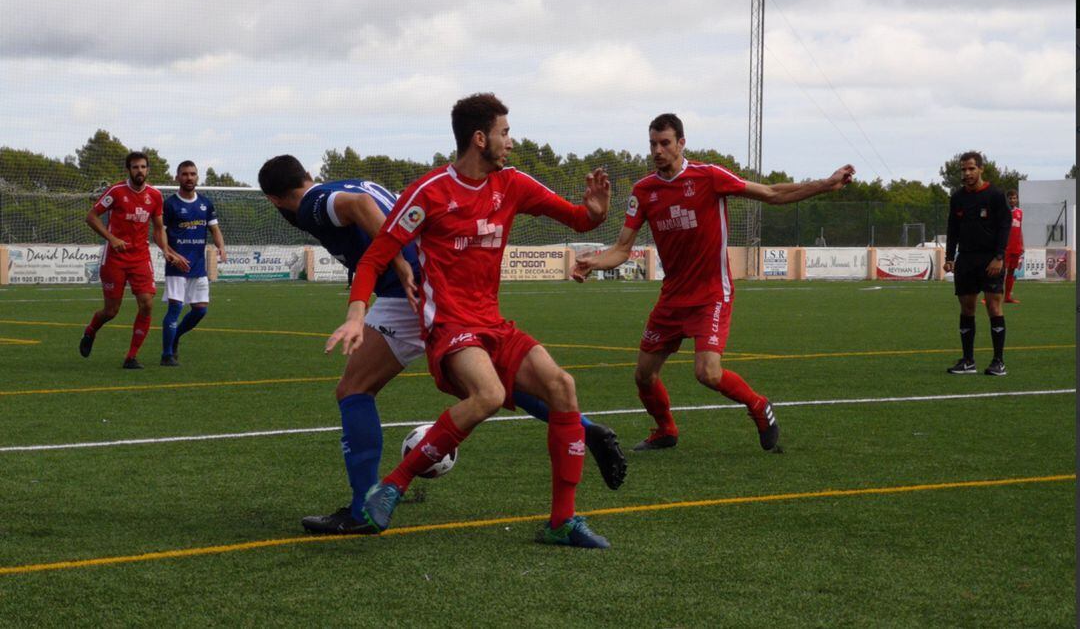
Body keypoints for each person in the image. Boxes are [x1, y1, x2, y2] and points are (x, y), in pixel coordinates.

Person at [259, 152, 625, 537]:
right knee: (499, 385)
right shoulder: (351, 182)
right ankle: (582, 428)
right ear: (308, 173)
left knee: (355, 389)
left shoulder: (312, 204)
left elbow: (360, 207)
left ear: (275, 200)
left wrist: (397, 263)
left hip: (415, 294)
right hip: (435, 290)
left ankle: (362, 507)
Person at [326, 93, 615, 548]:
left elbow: (578, 220)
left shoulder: (513, 184)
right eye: (504, 133)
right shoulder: (429, 193)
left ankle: (562, 522)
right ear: (479, 139)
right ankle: (395, 484)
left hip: (493, 324)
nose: (510, 142)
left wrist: (596, 213)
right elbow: (374, 256)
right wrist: (357, 313)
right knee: (490, 394)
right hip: (449, 324)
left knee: (562, 386)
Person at [572, 113, 854, 453]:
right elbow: (621, 248)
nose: (658, 151)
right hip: (672, 298)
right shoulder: (644, 191)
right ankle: (665, 430)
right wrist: (593, 262)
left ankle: (759, 407)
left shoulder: (709, 177)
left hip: (711, 294)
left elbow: (770, 193)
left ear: (681, 143)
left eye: (664, 143)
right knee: (643, 375)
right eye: (652, 144)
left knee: (707, 372)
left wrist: (825, 183)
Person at [79, 151, 190, 369]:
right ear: (128, 169)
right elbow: (91, 217)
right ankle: (91, 330)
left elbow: (158, 229)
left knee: (147, 304)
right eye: (135, 167)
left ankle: (131, 357)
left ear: (148, 169)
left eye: (143, 167)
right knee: (111, 311)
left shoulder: (155, 196)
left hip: (140, 257)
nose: (139, 171)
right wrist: (112, 238)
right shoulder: (117, 191)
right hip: (115, 259)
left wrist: (167, 251)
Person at [943, 152, 1012, 377]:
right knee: (967, 308)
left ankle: (998, 361)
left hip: (990, 259)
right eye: (963, 170)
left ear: (981, 169)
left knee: (993, 307)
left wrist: (999, 257)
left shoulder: (995, 195)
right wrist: (949, 257)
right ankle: (968, 361)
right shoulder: (958, 198)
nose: (967, 173)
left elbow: (1004, 227)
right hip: (966, 260)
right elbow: (953, 229)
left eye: (971, 169)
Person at [160, 161, 227, 366]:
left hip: (198, 267)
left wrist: (221, 247)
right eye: (185, 174)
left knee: (200, 310)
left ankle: (176, 336)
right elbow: (159, 232)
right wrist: (169, 253)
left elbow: (214, 229)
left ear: (197, 177)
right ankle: (167, 355)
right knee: (175, 309)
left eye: (193, 174)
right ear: (177, 177)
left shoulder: (206, 204)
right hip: (176, 267)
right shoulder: (170, 204)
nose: (189, 177)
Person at [1003, 189, 1023, 304]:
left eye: (1014, 198)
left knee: (1011, 272)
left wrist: (1022, 245)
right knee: (1000, 272)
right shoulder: (1003, 212)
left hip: (1016, 247)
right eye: (1010, 198)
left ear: (1017, 199)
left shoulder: (1020, 212)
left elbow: (1020, 230)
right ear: (1007, 199)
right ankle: (989, 297)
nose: (1012, 200)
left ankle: (1007, 297)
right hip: (1005, 247)